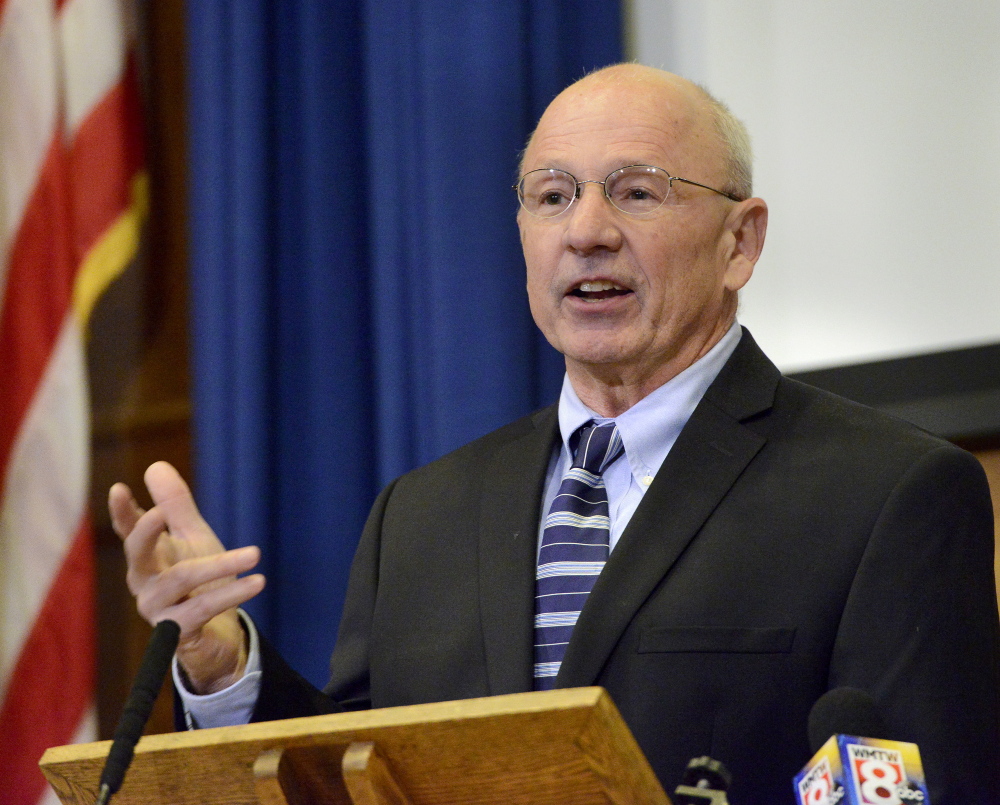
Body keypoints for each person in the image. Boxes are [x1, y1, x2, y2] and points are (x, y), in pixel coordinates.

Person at [110, 64, 1000, 803]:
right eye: (552, 196)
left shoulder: (887, 495)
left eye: (637, 192)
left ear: (740, 242)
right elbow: (351, 772)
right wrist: (223, 664)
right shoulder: (420, 515)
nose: (586, 231)